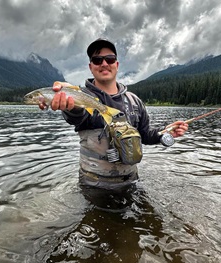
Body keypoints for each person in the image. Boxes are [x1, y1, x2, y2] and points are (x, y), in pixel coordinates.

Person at [39, 38, 188, 189]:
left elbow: (145, 135)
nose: (104, 64)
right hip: (93, 187)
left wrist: (166, 133)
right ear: (91, 67)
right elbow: (77, 116)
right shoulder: (80, 96)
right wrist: (70, 103)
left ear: (116, 64)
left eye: (109, 59)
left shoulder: (134, 102)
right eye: (97, 60)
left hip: (132, 183)